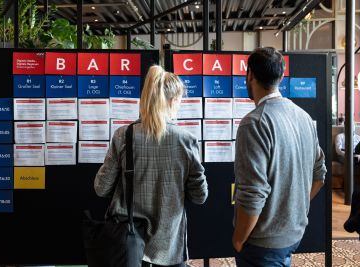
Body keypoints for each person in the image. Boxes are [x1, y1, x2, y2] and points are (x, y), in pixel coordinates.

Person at [94, 65, 208, 267]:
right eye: (180, 100)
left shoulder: (124, 135)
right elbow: (200, 196)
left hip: (128, 246)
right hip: (170, 247)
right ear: (172, 101)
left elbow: (101, 188)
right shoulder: (186, 140)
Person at [232, 47, 327, 266]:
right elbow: (319, 175)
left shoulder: (254, 122)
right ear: (281, 77)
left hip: (262, 243)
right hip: (292, 234)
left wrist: (238, 239)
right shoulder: (303, 117)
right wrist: (293, 208)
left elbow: (253, 193)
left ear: (250, 76)